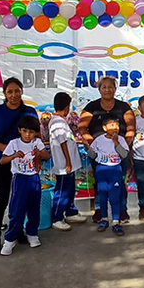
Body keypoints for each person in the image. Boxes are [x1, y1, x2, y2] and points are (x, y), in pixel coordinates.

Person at [0, 77, 38, 254]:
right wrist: (2, 147)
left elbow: (36, 136)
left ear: (21, 91)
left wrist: (36, 157)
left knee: (23, 198)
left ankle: (18, 231)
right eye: (10, 91)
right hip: (3, 161)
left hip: (25, 164)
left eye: (17, 91)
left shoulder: (29, 111)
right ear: (5, 93)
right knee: (3, 199)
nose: (14, 95)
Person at [78, 76, 135, 223]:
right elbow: (82, 126)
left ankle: (122, 211)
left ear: (115, 89)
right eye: (104, 87)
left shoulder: (124, 107)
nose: (107, 90)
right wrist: (90, 142)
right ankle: (99, 210)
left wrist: (125, 146)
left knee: (120, 182)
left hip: (119, 154)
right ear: (99, 89)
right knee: (99, 182)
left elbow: (131, 128)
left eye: (111, 87)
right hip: (99, 154)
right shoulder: (91, 107)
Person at [0, 116, 50, 255]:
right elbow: (2, 161)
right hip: (19, 179)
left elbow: (47, 156)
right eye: (25, 131)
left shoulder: (37, 142)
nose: (28, 135)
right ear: (19, 130)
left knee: (34, 209)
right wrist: (14, 156)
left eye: (31, 132)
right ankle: (10, 239)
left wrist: (39, 153)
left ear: (36, 133)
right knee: (16, 210)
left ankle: (32, 234)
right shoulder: (14, 143)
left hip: (34, 178)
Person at [84, 116, 129, 236]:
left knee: (114, 197)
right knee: (102, 195)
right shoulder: (98, 140)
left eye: (117, 126)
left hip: (115, 170)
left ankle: (115, 221)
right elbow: (93, 156)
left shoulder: (121, 140)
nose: (115, 128)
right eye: (112, 125)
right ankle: (104, 219)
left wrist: (116, 143)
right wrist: (87, 147)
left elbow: (124, 154)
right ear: (104, 128)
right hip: (102, 170)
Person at [49, 92, 87, 231]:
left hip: (69, 164)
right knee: (62, 191)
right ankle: (57, 217)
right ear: (66, 107)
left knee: (70, 189)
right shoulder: (57, 122)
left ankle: (71, 211)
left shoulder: (61, 121)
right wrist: (68, 162)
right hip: (64, 164)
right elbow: (63, 143)